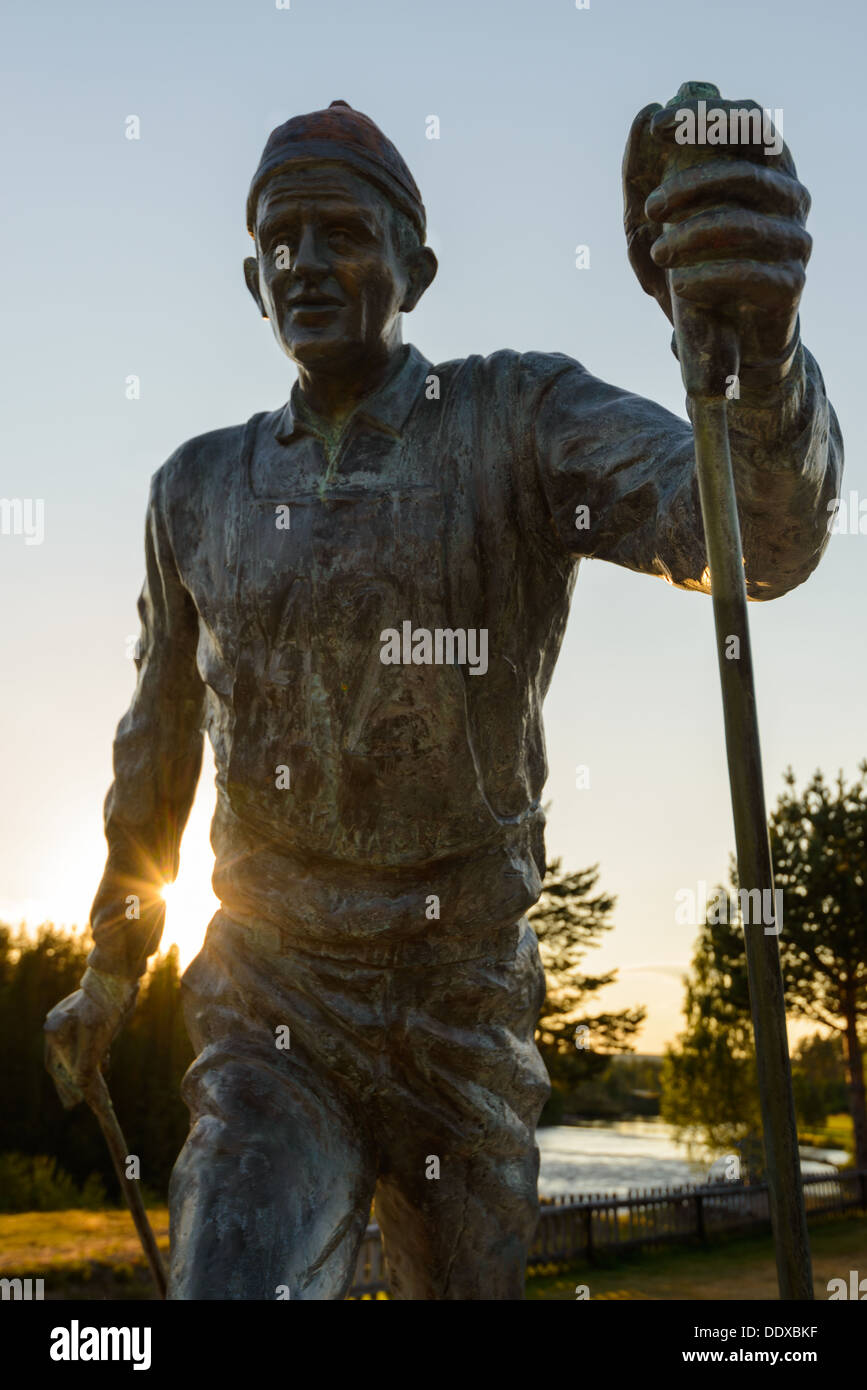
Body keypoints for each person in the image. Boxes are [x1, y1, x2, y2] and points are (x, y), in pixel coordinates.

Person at [44, 97, 842, 1299]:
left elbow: (751, 541)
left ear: (415, 268)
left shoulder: (518, 419)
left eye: (341, 233)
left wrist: (760, 360)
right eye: (279, 241)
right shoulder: (194, 489)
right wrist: (112, 963)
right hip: (269, 1001)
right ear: (252, 282)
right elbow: (156, 743)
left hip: (459, 1001)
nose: (305, 263)